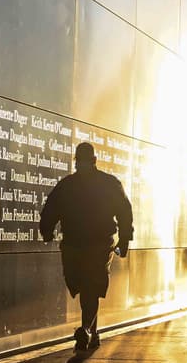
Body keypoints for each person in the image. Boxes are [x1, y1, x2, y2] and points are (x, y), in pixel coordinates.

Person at [40, 142, 133, 352]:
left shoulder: (68, 185)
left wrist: (46, 230)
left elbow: (51, 209)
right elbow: (124, 212)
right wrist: (125, 238)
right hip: (96, 243)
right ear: (94, 160)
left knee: (85, 286)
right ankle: (91, 332)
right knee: (89, 286)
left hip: (79, 243)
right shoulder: (109, 183)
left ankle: (86, 329)